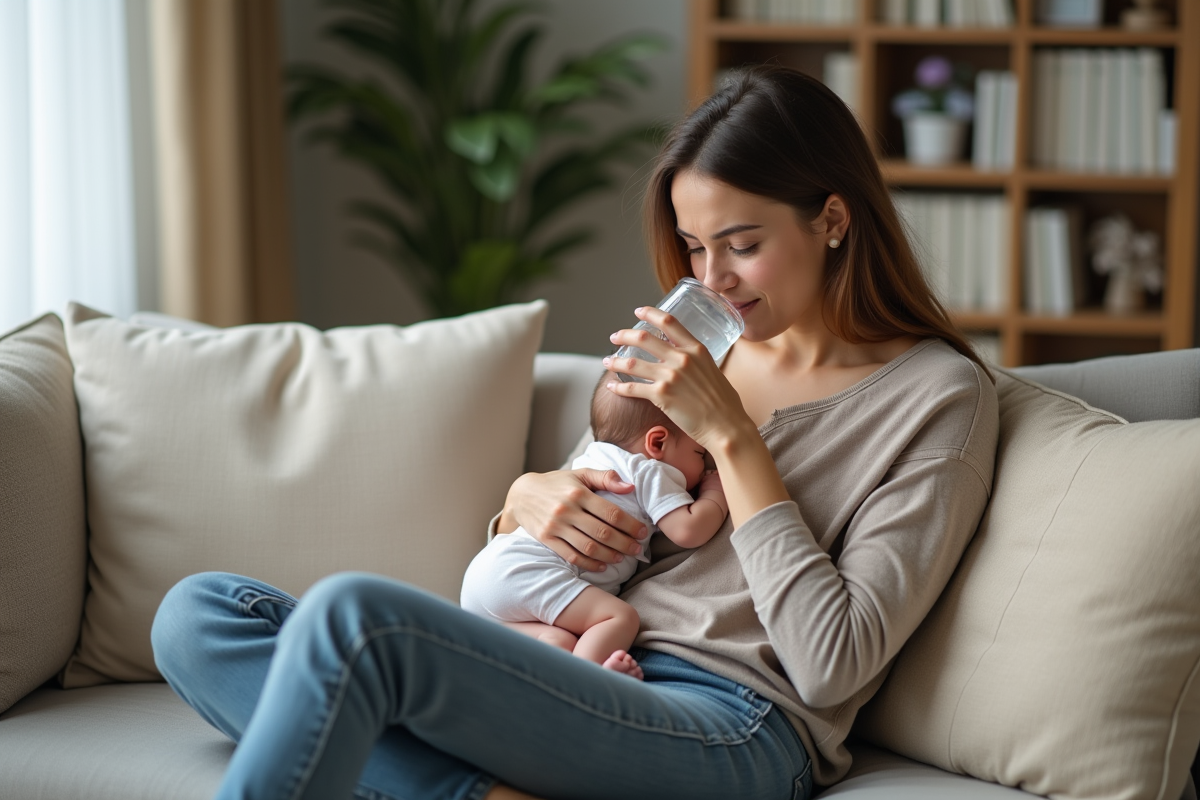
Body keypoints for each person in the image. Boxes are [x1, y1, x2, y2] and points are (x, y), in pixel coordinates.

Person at [150, 65, 999, 800]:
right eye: (694, 247)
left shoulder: (937, 398)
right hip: (580, 665)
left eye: (742, 245)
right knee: (200, 616)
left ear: (834, 219)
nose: (712, 281)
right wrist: (524, 503)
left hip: (730, 720)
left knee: (355, 618)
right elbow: (571, 533)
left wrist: (734, 441)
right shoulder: (697, 348)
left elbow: (832, 663)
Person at [460, 375, 729, 680]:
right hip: (528, 572)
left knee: (559, 643)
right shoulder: (648, 470)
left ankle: (556, 687)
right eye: (699, 453)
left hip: (486, 575)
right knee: (619, 617)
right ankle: (589, 681)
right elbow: (689, 530)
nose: (703, 465)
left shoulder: (593, 457)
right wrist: (715, 491)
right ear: (657, 442)